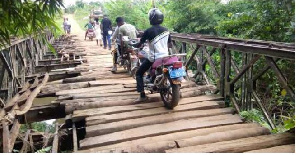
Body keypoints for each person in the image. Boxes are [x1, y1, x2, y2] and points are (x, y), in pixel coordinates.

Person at [133, 8, 172, 102]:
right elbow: (170, 44)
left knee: (139, 73)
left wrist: (134, 44)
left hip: (154, 58)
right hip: (165, 57)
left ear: (151, 18)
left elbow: (140, 44)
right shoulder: (166, 30)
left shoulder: (148, 31)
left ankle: (142, 96)